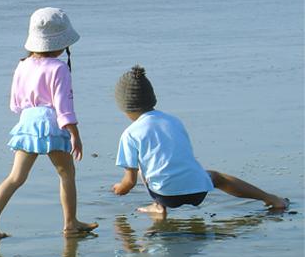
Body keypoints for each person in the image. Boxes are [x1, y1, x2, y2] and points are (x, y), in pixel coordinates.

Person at [0, 7, 98, 238]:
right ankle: (71, 222)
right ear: (62, 43)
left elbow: (15, 103)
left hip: (27, 124)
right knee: (66, 173)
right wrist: (75, 133)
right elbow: (63, 105)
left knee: (16, 177)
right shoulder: (60, 68)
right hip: (51, 124)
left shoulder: (22, 64)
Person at [112, 65, 289, 216]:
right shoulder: (172, 121)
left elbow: (130, 182)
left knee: (147, 168)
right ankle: (272, 199)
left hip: (165, 195)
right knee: (217, 177)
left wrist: (119, 189)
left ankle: (159, 207)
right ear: (152, 99)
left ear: (124, 108)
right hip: (199, 189)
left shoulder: (130, 134)